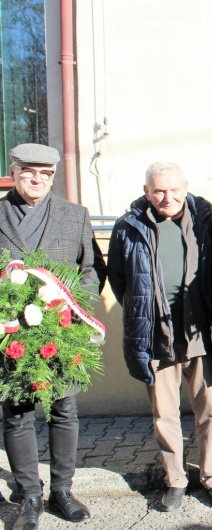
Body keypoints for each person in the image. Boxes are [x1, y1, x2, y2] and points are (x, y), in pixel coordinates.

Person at [107, 162, 212, 512]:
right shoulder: (127, 227)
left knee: (208, 412)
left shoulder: (206, 223)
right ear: (147, 192)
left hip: (201, 335)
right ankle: (175, 480)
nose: (167, 197)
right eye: (159, 190)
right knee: (165, 415)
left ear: (185, 187)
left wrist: (210, 304)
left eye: (174, 189)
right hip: (156, 338)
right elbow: (120, 282)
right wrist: (144, 313)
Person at [0, 143, 106, 529]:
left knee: (64, 411)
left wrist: (76, 307)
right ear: (13, 171)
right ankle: (29, 496)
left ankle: (62, 489)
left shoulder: (73, 215)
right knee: (16, 414)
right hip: (12, 336)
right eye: (29, 171)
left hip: (62, 334)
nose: (38, 179)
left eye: (46, 173)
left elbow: (92, 269)